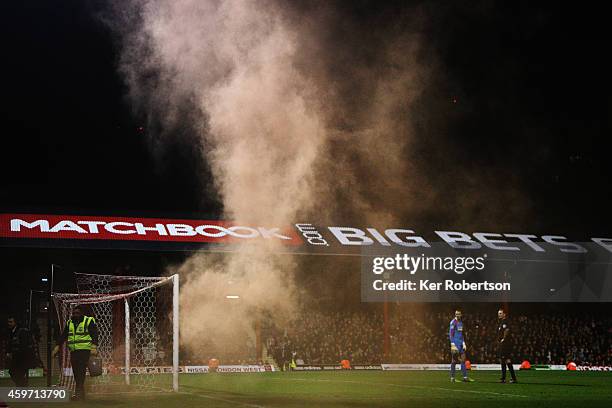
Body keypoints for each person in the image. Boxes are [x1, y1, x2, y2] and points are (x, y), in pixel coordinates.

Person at [52, 306, 99, 400]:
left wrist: (94, 347)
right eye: (74, 313)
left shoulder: (88, 321)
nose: (75, 315)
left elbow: (94, 334)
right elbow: (64, 335)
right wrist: (57, 346)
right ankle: (81, 395)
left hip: (84, 351)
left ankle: (78, 394)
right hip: (74, 351)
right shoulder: (70, 323)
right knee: (76, 373)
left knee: (80, 372)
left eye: (77, 313)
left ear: (82, 313)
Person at [6, 316, 35, 386]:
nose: (9, 324)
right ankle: (22, 387)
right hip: (16, 358)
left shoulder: (21, 331)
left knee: (16, 374)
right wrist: (9, 352)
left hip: (22, 359)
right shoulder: (12, 332)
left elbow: (24, 346)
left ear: (15, 322)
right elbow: (11, 343)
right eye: (8, 322)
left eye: (11, 322)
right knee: (14, 373)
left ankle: (23, 387)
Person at [449, 310, 472, 382]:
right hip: (455, 343)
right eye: (456, 314)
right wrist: (452, 344)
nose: (457, 315)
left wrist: (464, 342)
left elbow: (461, 334)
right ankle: (452, 378)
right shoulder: (453, 322)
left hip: (461, 343)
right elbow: (451, 334)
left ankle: (465, 377)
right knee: (454, 361)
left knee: (463, 359)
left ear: (461, 314)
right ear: (455, 314)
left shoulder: (461, 323)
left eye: (459, 314)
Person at [497, 309, 517, 383]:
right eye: (498, 313)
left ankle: (503, 378)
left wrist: (503, 339)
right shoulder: (501, 322)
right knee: (507, 360)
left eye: (500, 313)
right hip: (504, 343)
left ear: (504, 314)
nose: (499, 314)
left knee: (503, 360)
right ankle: (513, 378)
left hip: (505, 344)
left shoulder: (505, 321)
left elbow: (507, 330)